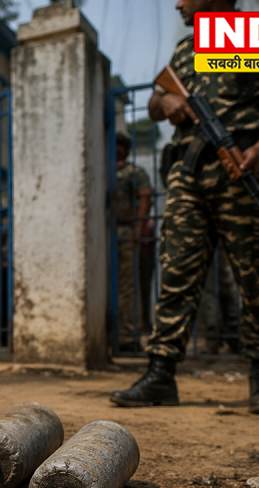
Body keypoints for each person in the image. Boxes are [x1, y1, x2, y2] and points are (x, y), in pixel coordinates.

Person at [111, 0, 259, 416]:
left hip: (241, 169)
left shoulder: (258, 33)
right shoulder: (184, 50)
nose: (178, 3)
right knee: (176, 274)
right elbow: (156, 103)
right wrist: (165, 104)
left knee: (253, 274)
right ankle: (160, 375)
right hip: (187, 176)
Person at [113, 132, 154, 353]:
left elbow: (145, 198)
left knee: (127, 286)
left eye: (122, 145)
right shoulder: (102, 170)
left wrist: (137, 231)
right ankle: (112, 333)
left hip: (126, 229)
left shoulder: (133, 172)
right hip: (105, 232)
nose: (118, 149)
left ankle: (127, 335)